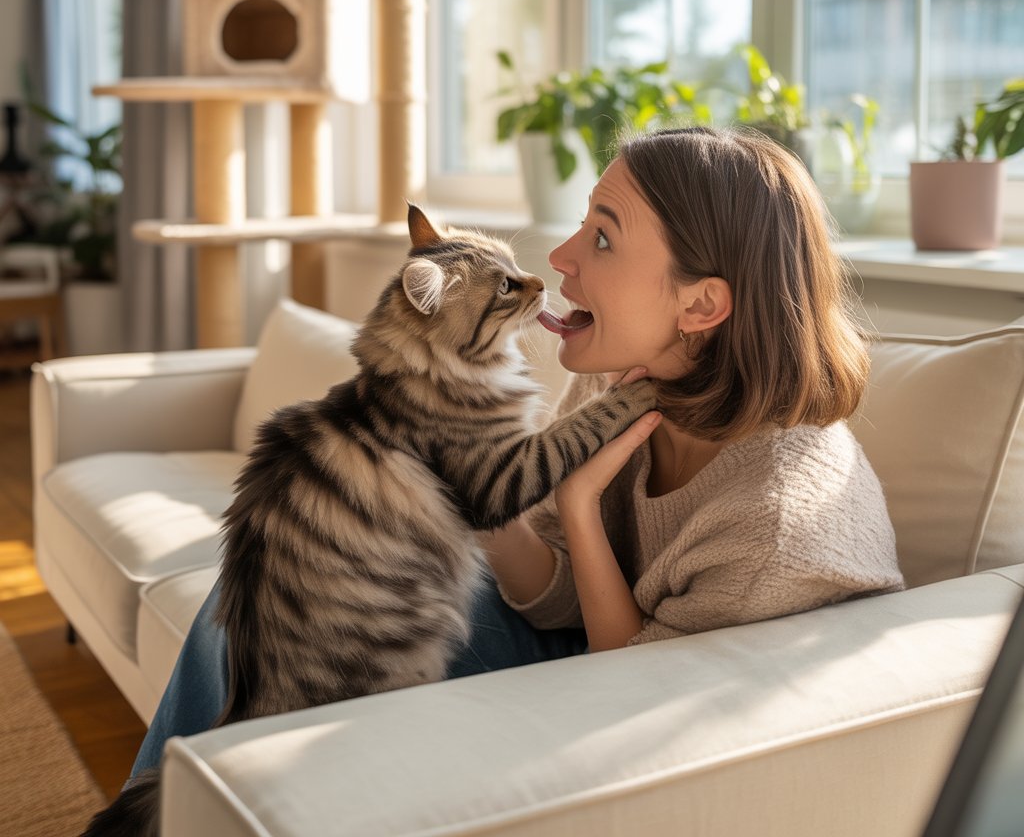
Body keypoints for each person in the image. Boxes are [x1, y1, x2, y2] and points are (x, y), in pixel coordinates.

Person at [129, 125, 904, 777]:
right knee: (251, 610)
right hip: (599, 648)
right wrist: (460, 478)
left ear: (701, 304)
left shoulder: (771, 529)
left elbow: (635, 688)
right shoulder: (631, 378)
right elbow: (558, 597)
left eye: (602, 237)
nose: (562, 257)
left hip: (641, 702)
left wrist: (575, 505)